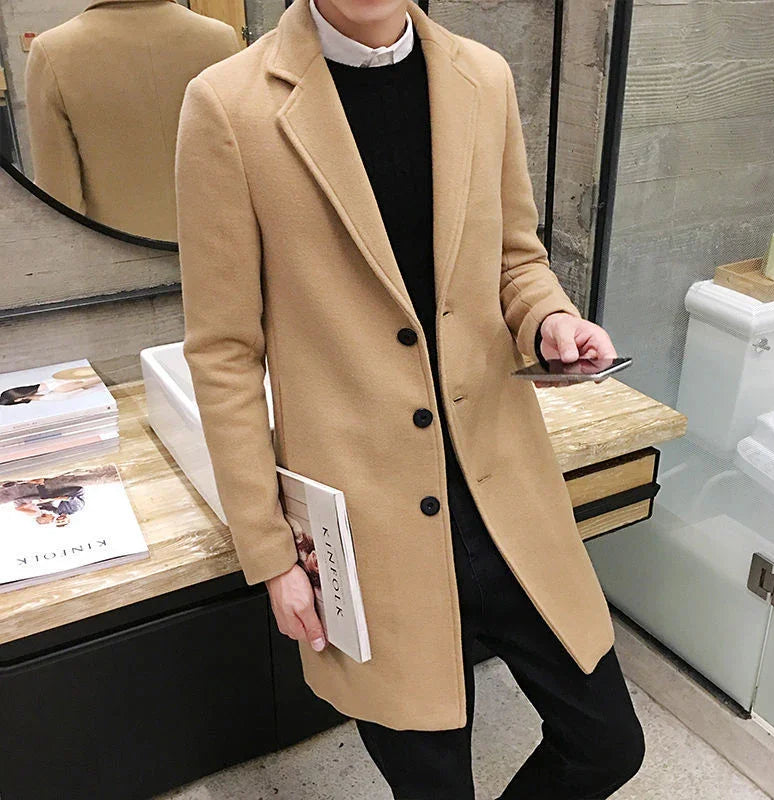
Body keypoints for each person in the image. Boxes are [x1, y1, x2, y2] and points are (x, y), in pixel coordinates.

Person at [175, 1, 645, 797]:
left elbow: (515, 258)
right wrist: (271, 554)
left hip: (505, 495)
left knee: (607, 743)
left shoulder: (482, 77)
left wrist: (549, 319)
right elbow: (224, 353)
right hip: (368, 528)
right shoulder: (227, 104)